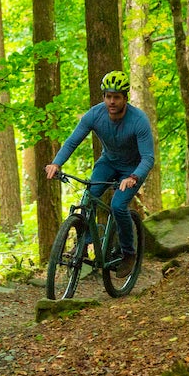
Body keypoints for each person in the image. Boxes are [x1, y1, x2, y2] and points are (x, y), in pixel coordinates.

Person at [44, 70, 156, 277]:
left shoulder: (138, 120)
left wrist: (133, 177)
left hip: (132, 170)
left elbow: (148, 157)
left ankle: (128, 253)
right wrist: (56, 163)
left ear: (125, 98)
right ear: (103, 96)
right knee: (89, 196)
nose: (111, 101)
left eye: (116, 97)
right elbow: (72, 141)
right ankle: (84, 243)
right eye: (108, 96)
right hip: (108, 162)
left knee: (118, 205)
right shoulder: (95, 115)